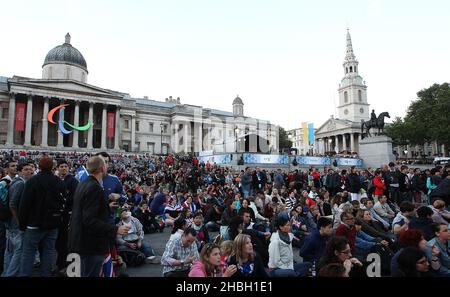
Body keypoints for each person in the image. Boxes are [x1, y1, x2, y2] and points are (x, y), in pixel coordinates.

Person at [68, 156, 130, 277]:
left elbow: (86, 209)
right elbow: (90, 220)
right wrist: (116, 229)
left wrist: (106, 206)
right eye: (105, 164)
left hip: (79, 240)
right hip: (90, 244)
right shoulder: (95, 188)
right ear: (102, 168)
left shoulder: (83, 183)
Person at [18, 156, 67, 277]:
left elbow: (24, 205)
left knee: (28, 253)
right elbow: (63, 202)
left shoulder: (32, 181)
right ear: (53, 167)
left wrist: (22, 225)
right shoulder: (58, 182)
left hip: (34, 224)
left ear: (39, 166)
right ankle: (46, 274)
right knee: (49, 252)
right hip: (53, 223)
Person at [2, 161, 34, 277]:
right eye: (26, 169)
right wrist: (20, 221)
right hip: (16, 224)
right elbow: (13, 204)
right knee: (18, 252)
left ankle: (6, 272)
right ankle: (10, 274)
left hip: (11, 223)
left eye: (30, 169)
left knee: (10, 252)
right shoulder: (20, 184)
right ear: (20, 172)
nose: (29, 171)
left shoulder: (15, 182)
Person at [55, 160, 79, 273]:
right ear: (58, 168)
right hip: (58, 215)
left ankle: (67, 266)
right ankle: (60, 264)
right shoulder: (56, 180)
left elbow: (74, 197)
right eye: (61, 166)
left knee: (67, 241)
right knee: (60, 241)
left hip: (68, 214)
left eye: (65, 166)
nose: (64, 168)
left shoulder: (73, 181)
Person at [0, 160, 18, 275]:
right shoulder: (4, 182)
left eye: (16, 166)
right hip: (5, 216)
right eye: (12, 166)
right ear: (7, 169)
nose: (15, 168)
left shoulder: (13, 180)